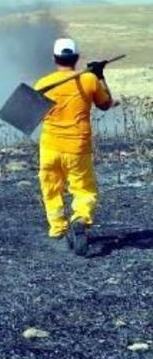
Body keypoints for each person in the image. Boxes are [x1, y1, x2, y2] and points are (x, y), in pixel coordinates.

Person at [34, 38, 114, 256]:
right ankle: (80, 218)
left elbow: (34, 114)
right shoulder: (88, 80)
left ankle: (58, 231)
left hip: (49, 146)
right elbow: (106, 104)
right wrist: (100, 76)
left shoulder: (42, 84)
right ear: (76, 58)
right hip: (77, 147)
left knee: (51, 189)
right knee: (84, 188)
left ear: (54, 58)